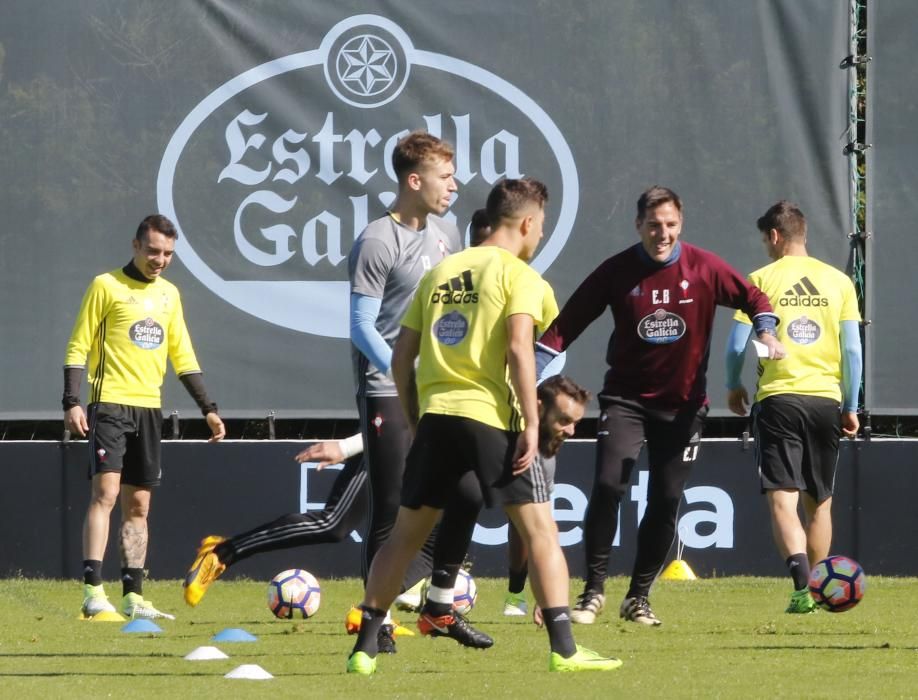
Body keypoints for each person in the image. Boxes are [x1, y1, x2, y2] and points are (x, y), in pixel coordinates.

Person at [346, 177, 622, 675]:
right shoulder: (521, 276)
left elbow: (403, 354)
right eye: (541, 227)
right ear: (529, 222)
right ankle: (565, 650)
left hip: (436, 418)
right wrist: (533, 423)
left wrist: (414, 416)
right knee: (541, 532)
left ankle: (364, 649)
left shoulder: (441, 270)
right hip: (492, 419)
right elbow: (521, 349)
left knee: (404, 536)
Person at [536, 185, 785, 626]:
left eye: (670, 225)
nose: (662, 233)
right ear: (638, 226)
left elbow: (754, 297)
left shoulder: (704, 268)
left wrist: (765, 331)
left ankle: (638, 597)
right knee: (610, 486)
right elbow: (566, 325)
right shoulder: (617, 271)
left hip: (684, 407)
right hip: (626, 400)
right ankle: (593, 591)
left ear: (680, 225)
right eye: (653, 225)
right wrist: (527, 367)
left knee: (667, 498)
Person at [63, 214, 225, 620]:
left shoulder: (170, 295)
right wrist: (71, 400)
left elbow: (183, 355)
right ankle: (92, 593)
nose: (160, 259)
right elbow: (78, 344)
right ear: (135, 245)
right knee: (107, 495)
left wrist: (209, 409)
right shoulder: (107, 285)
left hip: (148, 409)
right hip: (110, 405)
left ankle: (133, 597)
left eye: (168, 253)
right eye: (153, 250)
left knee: (139, 506)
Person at [346, 130, 464, 650]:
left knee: (452, 496)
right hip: (387, 390)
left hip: (438, 386)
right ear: (414, 181)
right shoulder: (376, 239)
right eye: (444, 176)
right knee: (390, 508)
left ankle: (438, 606)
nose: (454, 186)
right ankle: (377, 625)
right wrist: (402, 375)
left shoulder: (449, 231)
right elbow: (360, 325)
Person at [724, 200, 862, 613]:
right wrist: (851, 404)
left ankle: (803, 588)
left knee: (782, 499)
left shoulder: (760, 280)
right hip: (825, 399)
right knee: (819, 501)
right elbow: (852, 350)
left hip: (779, 398)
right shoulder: (838, 281)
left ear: (775, 236)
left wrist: (733, 384)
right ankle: (823, 591)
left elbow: (735, 345)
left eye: (765, 239)